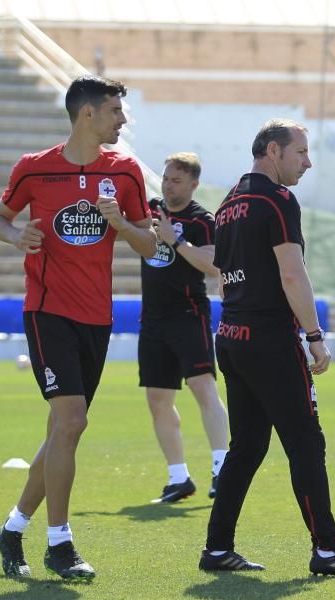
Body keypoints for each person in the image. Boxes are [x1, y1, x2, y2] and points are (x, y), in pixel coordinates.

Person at [0, 75, 157, 580]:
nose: (122, 120)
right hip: (47, 311)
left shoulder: (125, 173)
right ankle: (59, 544)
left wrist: (120, 225)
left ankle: (13, 529)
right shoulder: (34, 169)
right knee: (72, 423)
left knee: (62, 431)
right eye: (114, 111)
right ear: (87, 114)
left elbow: (150, 247)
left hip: (96, 317)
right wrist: (19, 236)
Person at [200, 119, 335, 576]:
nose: (308, 161)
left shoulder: (227, 203)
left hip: (232, 336)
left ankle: (217, 548)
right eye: (301, 152)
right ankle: (327, 550)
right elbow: (291, 273)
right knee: (305, 443)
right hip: (269, 340)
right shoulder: (277, 200)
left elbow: (222, 273)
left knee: (248, 447)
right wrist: (314, 336)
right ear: (273, 151)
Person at [139, 152, 228, 503]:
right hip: (153, 318)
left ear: (193, 184)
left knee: (202, 388)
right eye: (165, 178)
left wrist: (175, 241)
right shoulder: (150, 210)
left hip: (189, 315)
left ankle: (222, 469)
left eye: (176, 180)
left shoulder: (201, 220)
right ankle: (178, 477)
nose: (167, 185)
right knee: (158, 398)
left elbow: (213, 264)